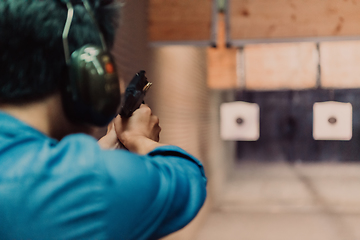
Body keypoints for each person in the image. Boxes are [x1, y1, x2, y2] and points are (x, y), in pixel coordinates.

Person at [0, 0, 207, 239]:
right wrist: (139, 139)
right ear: (84, 76)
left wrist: (97, 155)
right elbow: (187, 180)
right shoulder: (84, 185)